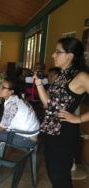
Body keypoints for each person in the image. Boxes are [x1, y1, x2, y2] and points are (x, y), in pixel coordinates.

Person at [33, 37, 89, 188]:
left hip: (64, 133)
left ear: (70, 56)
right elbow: (48, 104)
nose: (53, 55)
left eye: (58, 52)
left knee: (60, 179)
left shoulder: (81, 76)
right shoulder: (62, 75)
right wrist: (38, 83)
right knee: (55, 175)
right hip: (51, 131)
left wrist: (79, 118)